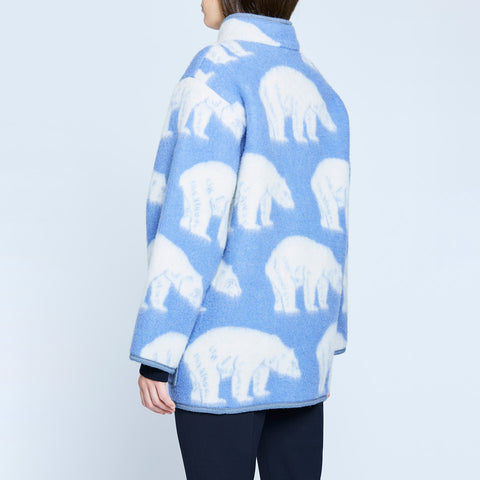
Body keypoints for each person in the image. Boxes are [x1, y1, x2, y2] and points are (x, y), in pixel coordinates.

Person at [129, 0, 350, 478]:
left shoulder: (215, 72)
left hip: (218, 346)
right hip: (302, 348)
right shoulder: (317, 82)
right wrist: (325, 345)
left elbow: (191, 223)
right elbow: (330, 225)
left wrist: (157, 351)